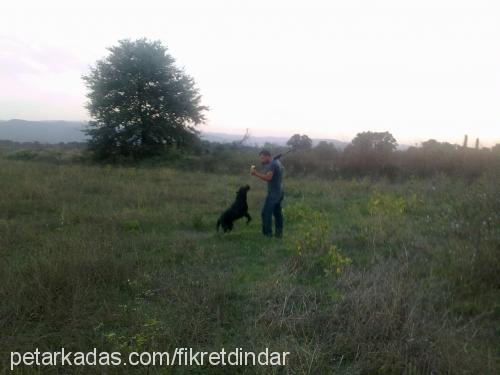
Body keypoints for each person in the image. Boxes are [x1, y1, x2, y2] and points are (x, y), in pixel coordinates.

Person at [251, 150, 284, 238]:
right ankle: (279, 234)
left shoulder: (272, 164)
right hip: (280, 191)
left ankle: (268, 234)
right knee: (277, 213)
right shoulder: (277, 162)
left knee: (265, 213)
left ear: (267, 156)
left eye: (262, 158)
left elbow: (268, 178)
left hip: (274, 193)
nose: (261, 160)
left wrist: (255, 173)